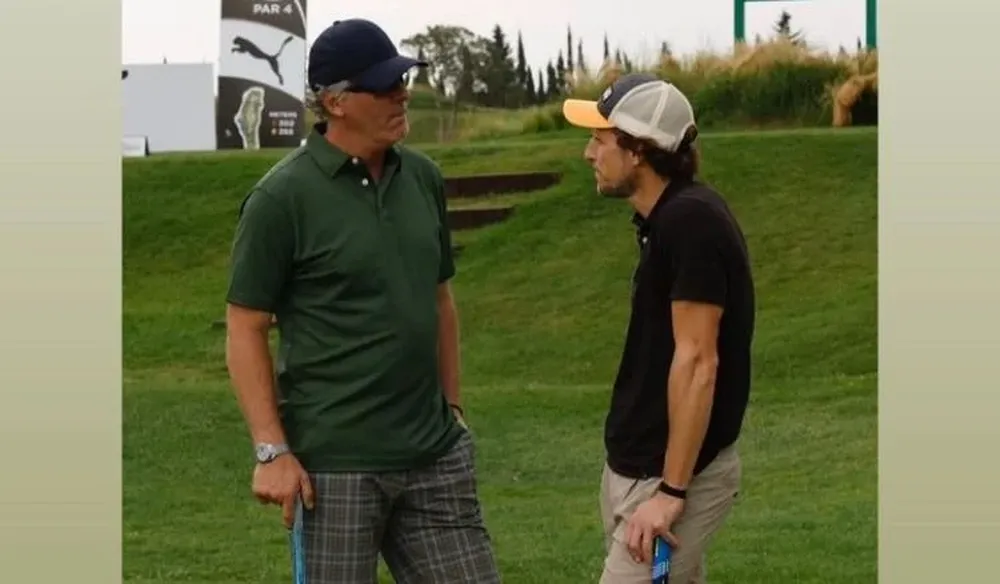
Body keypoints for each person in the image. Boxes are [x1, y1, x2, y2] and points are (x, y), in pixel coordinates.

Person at [224, 18, 501, 584]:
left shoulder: (423, 178)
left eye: (401, 80)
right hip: (334, 470)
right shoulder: (281, 199)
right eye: (384, 86)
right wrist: (271, 450)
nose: (403, 93)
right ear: (335, 102)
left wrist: (453, 411)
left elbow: (439, 301)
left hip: (435, 459)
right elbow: (246, 326)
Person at [562, 73, 756, 583]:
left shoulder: (691, 222)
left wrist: (671, 493)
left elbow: (698, 362)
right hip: (636, 472)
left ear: (638, 150)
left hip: (664, 483)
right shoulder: (665, 221)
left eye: (599, 140)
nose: (589, 154)